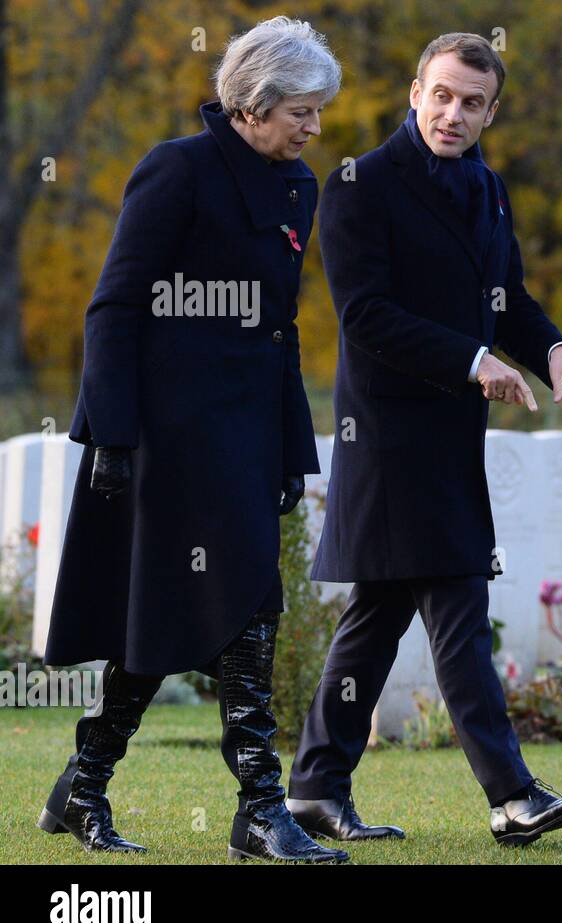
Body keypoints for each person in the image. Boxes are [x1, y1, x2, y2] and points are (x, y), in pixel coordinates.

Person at [37, 16, 348, 863]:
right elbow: (114, 307)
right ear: (253, 103)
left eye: (319, 113)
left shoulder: (300, 189)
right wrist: (112, 435)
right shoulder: (174, 169)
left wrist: (291, 449)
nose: (314, 129)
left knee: (248, 612)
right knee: (172, 614)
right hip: (162, 442)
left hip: (245, 442)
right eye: (303, 111)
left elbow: (279, 329)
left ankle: (169, 799)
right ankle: (178, 799)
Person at [288, 32, 562, 848]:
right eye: (442, 94)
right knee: (459, 605)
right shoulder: (358, 185)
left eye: (472, 102)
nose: (453, 113)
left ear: (491, 113)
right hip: (389, 440)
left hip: (452, 438)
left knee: (377, 619)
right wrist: (475, 361)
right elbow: (365, 316)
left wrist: (556, 350)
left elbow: (511, 298)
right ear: (415, 92)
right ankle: (513, 796)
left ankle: (316, 790)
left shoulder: (489, 190)